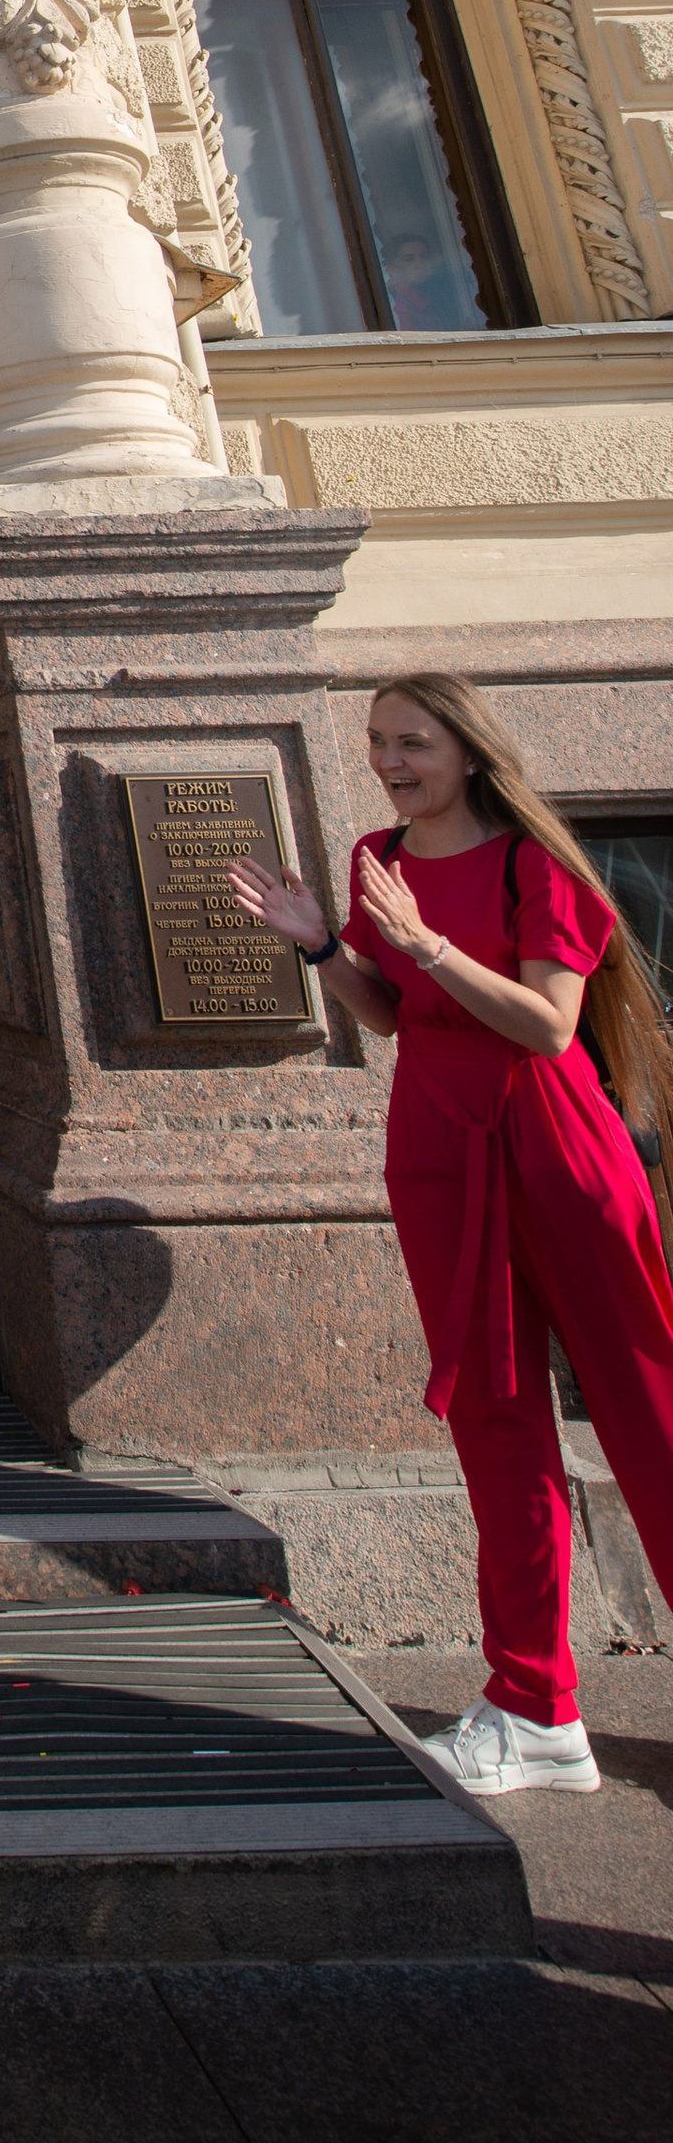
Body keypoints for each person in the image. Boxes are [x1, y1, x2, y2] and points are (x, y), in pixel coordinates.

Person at [230, 668, 673, 1800]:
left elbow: (544, 1021)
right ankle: (533, 1708)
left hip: (555, 1142)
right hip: (435, 1143)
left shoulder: (534, 865)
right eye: (377, 740)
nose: (388, 760)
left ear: (468, 751)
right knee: (493, 1416)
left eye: (412, 741)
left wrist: (426, 946)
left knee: (644, 1404)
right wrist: (326, 948)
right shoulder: (378, 858)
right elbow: (395, 1017)